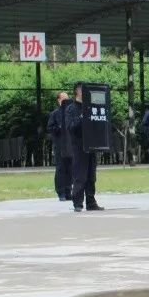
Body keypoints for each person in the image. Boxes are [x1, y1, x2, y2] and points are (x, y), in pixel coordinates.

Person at [65, 82, 103, 213]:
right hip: (79, 146)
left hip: (92, 145)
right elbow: (70, 127)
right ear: (78, 91)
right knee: (80, 176)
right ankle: (77, 203)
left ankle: (91, 202)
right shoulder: (71, 108)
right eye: (83, 90)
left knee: (91, 176)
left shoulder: (92, 106)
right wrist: (82, 116)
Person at [46, 92, 72, 201]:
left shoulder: (71, 112)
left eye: (67, 99)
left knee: (70, 169)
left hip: (70, 146)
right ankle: (60, 192)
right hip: (60, 145)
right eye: (63, 99)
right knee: (60, 169)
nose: (66, 101)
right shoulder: (55, 114)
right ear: (59, 100)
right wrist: (59, 128)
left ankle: (68, 191)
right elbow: (50, 127)